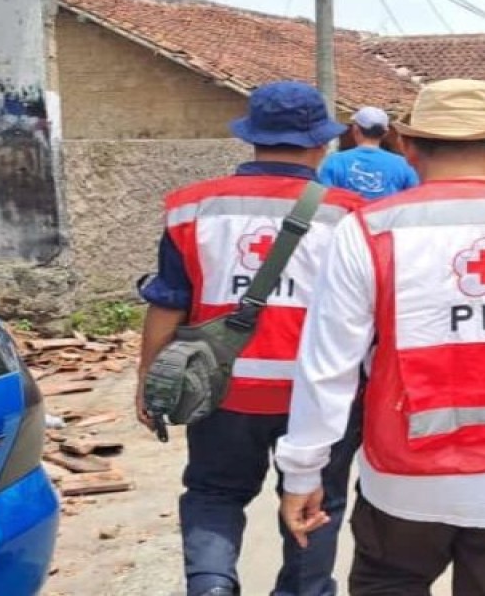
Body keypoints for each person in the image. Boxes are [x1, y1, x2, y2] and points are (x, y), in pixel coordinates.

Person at [274, 79, 485, 596]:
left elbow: (328, 366)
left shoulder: (368, 230)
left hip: (404, 479)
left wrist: (303, 474)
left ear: (409, 148)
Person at [135, 81, 364, 596]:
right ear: (322, 143)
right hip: (316, 396)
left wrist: (147, 378)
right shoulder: (349, 214)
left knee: (214, 493)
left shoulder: (190, 208)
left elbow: (168, 301)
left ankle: (212, 586)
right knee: (317, 505)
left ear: (252, 138)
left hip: (218, 387)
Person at [317, 106, 419, 200]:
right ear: (385, 133)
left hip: (345, 219)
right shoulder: (403, 164)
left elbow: (323, 198)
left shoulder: (334, 161)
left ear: (355, 130)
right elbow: (413, 198)